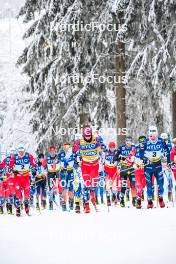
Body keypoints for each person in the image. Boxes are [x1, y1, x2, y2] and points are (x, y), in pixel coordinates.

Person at [73, 125, 103, 213]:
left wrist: (101, 149)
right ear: (83, 135)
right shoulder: (79, 141)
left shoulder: (96, 139)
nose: (88, 138)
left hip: (94, 165)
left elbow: (103, 148)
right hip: (84, 165)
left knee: (93, 184)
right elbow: (74, 153)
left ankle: (92, 196)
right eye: (86, 136)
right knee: (85, 184)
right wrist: (76, 160)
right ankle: (85, 205)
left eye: (89, 136)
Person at [140, 126, 170, 208]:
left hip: (158, 166)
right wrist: (144, 159)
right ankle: (149, 201)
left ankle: (161, 199)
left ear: (157, 134)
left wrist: (168, 162)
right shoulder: (145, 142)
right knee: (149, 185)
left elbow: (167, 151)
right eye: (150, 136)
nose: (152, 138)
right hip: (148, 167)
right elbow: (141, 153)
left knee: (161, 184)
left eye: (154, 135)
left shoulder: (161, 141)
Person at [9, 145, 36, 216]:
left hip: (26, 177)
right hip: (17, 178)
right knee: (17, 194)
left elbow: (34, 164)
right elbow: (9, 168)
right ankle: (18, 210)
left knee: (27, 194)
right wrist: (13, 170)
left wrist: (33, 170)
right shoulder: (14, 157)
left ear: (24, 150)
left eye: (22, 151)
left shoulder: (29, 156)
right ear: (18, 151)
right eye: (20, 151)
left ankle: (27, 209)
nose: (21, 153)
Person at [114, 136, 136, 207]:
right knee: (123, 186)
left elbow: (139, 156)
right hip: (123, 169)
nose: (128, 143)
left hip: (131, 169)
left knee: (133, 185)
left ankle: (134, 199)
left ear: (131, 141)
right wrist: (121, 158)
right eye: (127, 141)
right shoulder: (121, 148)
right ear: (125, 142)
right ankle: (122, 200)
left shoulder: (134, 148)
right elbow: (115, 157)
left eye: (129, 141)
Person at [58, 143, 76, 211]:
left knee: (71, 188)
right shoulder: (61, 154)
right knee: (64, 189)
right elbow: (56, 162)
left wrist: (76, 164)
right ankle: (64, 204)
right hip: (63, 172)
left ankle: (71, 202)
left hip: (70, 172)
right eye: (65, 147)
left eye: (68, 147)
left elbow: (76, 160)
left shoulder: (72, 154)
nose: (66, 148)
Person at [104, 142, 119, 206]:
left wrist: (119, 168)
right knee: (107, 184)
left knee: (114, 184)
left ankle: (114, 196)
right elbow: (102, 160)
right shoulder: (105, 152)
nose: (112, 149)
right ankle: (108, 199)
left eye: (113, 147)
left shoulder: (117, 152)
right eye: (111, 147)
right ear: (109, 147)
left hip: (114, 170)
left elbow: (119, 161)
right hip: (107, 169)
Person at [134, 136, 146, 208]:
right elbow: (131, 157)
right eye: (141, 141)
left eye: (143, 140)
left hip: (145, 169)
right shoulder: (135, 148)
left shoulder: (147, 147)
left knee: (144, 185)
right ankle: (138, 201)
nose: (142, 142)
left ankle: (141, 193)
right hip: (137, 169)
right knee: (139, 185)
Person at [160, 133, 173, 201]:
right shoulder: (159, 144)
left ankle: (169, 192)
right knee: (160, 180)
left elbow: (171, 154)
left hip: (168, 165)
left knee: (170, 179)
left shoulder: (169, 145)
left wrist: (170, 162)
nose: (164, 141)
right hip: (161, 165)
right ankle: (160, 194)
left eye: (165, 139)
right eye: (163, 139)